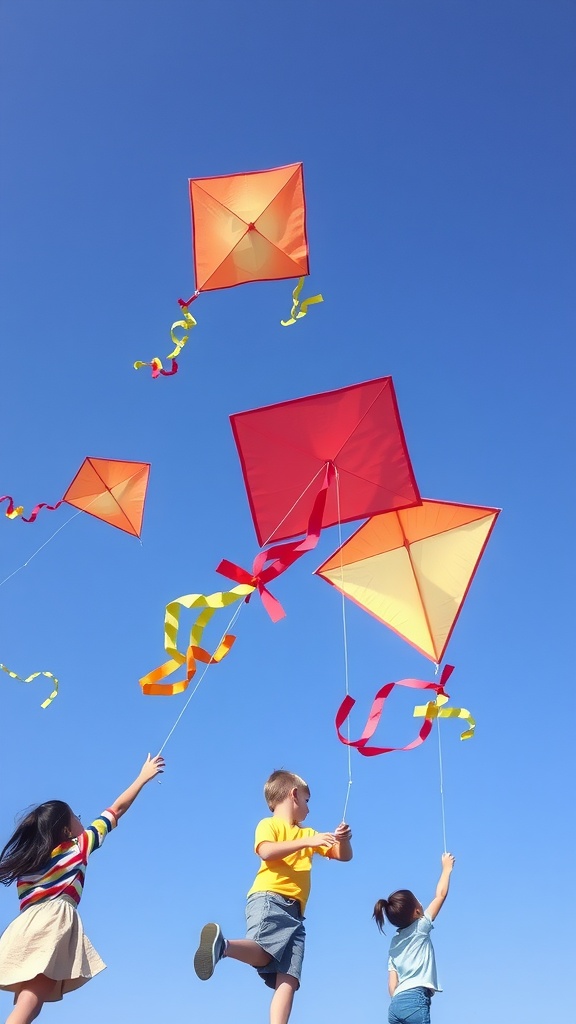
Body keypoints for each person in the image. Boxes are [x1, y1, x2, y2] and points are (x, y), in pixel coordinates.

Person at [0, 753, 165, 1024]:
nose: (81, 820)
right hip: (51, 922)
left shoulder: (29, 866)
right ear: (66, 830)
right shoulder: (77, 847)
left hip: (23, 925)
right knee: (31, 999)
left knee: (28, 997)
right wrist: (142, 778)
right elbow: (116, 809)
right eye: (76, 817)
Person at [193, 769, 352, 1024]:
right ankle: (222, 946)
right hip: (270, 898)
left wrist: (342, 840)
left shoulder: (308, 834)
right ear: (294, 795)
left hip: (297, 915)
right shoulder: (270, 825)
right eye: (307, 800)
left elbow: (344, 856)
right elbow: (266, 851)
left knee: (289, 978)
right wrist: (307, 843)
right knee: (264, 950)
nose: (309, 809)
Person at [373, 853, 455, 1024]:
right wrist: (447, 869)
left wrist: (399, 1002)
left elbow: (391, 986)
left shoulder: (394, 942)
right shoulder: (421, 927)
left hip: (395, 1005)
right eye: (418, 901)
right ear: (417, 912)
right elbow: (440, 895)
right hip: (415, 999)